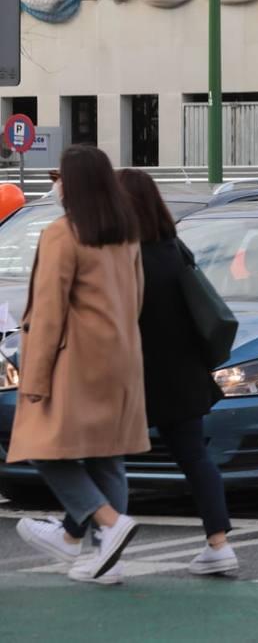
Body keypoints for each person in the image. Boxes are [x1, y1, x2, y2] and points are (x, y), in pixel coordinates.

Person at [9, 146, 145, 585]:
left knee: (40, 446)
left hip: (74, 361)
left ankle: (106, 521)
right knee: (108, 456)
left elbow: (47, 312)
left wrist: (34, 377)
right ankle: (105, 556)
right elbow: (137, 298)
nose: (55, 183)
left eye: (59, 176)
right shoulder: (125, 234)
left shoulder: (62, 234)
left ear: (74, 183)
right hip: (120, 357)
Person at [124, 169, 241, 574]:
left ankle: (96, 541)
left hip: (138, 373)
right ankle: (219, 543)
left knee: (103, 457)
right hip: (185, 372)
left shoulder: (127, 255)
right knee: (195, 458)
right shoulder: (175, 249)